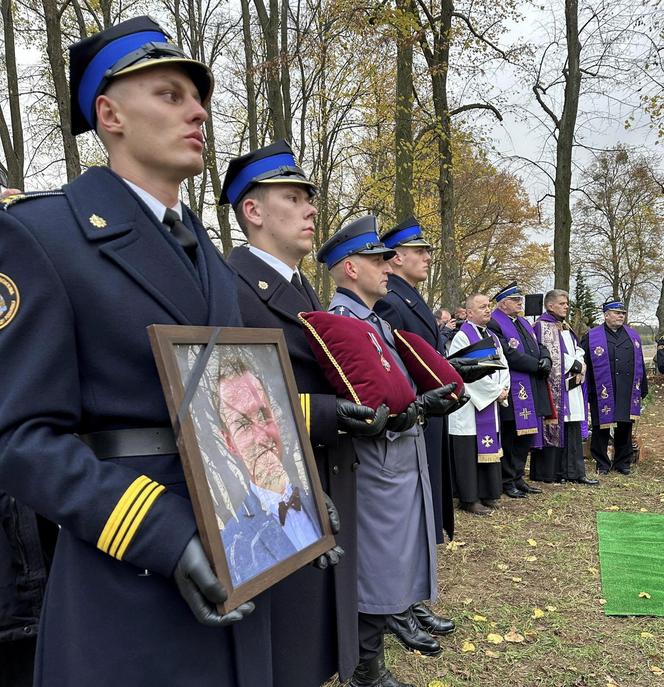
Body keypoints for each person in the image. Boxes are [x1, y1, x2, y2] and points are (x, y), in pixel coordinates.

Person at [0, 17, 271, 686]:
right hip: (127, 573)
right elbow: (19, 438)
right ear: (109, 113)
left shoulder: (207, 251)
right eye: (171, 94)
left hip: (238, 548)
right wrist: (161, 531)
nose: (198, 110)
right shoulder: (43, 235)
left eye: (199, 97)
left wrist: (289, 489)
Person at [222, 140, 380, 685]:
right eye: (294, 197)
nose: (312, 209)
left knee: (316, 635)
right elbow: (233, 407)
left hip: (322, 476)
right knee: (285, 645)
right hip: (275, 494)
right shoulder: (232, 288)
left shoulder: (298, 285)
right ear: (254, 211)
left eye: (310, 198)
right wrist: (326, 413)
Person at [318, 215, 461, 687]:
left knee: (389, 567)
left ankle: (372, 664)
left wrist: (422, 402)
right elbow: (359, 403)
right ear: (350, 269)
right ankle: (364, 671)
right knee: (374, 572)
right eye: (377, 260)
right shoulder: (343, 323)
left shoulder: (374, 321)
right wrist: (411, 406)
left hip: (398, 460)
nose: (387, 266)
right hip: (374, 465)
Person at [374, 217, 455, 652]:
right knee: (410, 514)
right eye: (419, 251)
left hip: (432, 411)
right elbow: (396, 367)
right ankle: (400, 606)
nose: (427, 257)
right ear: (397, 257)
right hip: (414, 415)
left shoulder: (412, 297)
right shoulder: (390, 302)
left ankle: (414, 600)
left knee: (424, 510)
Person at [216, 362, 321, 586]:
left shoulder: (319, 498)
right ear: (229, 442)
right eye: (243, 425)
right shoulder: (232, 547)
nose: (262, 436)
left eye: (263, 415)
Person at [488, 282, 552, 498]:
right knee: (511, 437)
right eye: (516, 300)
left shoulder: (523, 322)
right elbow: (508, 353)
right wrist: (537, 365)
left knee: (525, 437)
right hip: (513, 389)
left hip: (531, 386)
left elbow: (539, 344)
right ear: (503, 303)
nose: (520, 303)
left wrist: (545, 359)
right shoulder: (495, 323)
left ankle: (517, 477)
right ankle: (506, 480)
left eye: (520, 300)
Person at [448, 293, 510, 514]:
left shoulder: (492, 337)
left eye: (489, 306)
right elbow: (463, 372)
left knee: (487, 448)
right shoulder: (462, 338)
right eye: (482, 307)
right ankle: (469, 498)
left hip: (490, 401)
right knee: (469, 451)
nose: (487, 309)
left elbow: (504, 365)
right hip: (468, 406)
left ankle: (488, 492)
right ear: (470, 313)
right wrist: (495, 392)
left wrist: (504, 388)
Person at [530, 290, 598, 485]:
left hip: (572, 384)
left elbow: (576, 348)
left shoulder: (566, 326)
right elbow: (550, 353)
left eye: (567, 303)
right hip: (555, 386)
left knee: (572, 426)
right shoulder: (541, 327)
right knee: (554, 426)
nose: (566, 306)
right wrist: (575, 365)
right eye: (562, 303)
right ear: (550, 305)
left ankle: (574, 472)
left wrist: (580, 362)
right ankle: (551, 472)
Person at [581, 300, 648, 475]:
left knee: (625, 426)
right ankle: (602, 462)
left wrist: (643, 388)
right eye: (617, 313)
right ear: (606, 315)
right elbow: (584, 363)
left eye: (623, 313)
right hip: (601, 389)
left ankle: (622, 462)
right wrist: (586, 390)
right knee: (601, 426)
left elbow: (640, 362)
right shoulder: (591, 337)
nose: (621, 316)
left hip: (627, 388)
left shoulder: (633, 336)